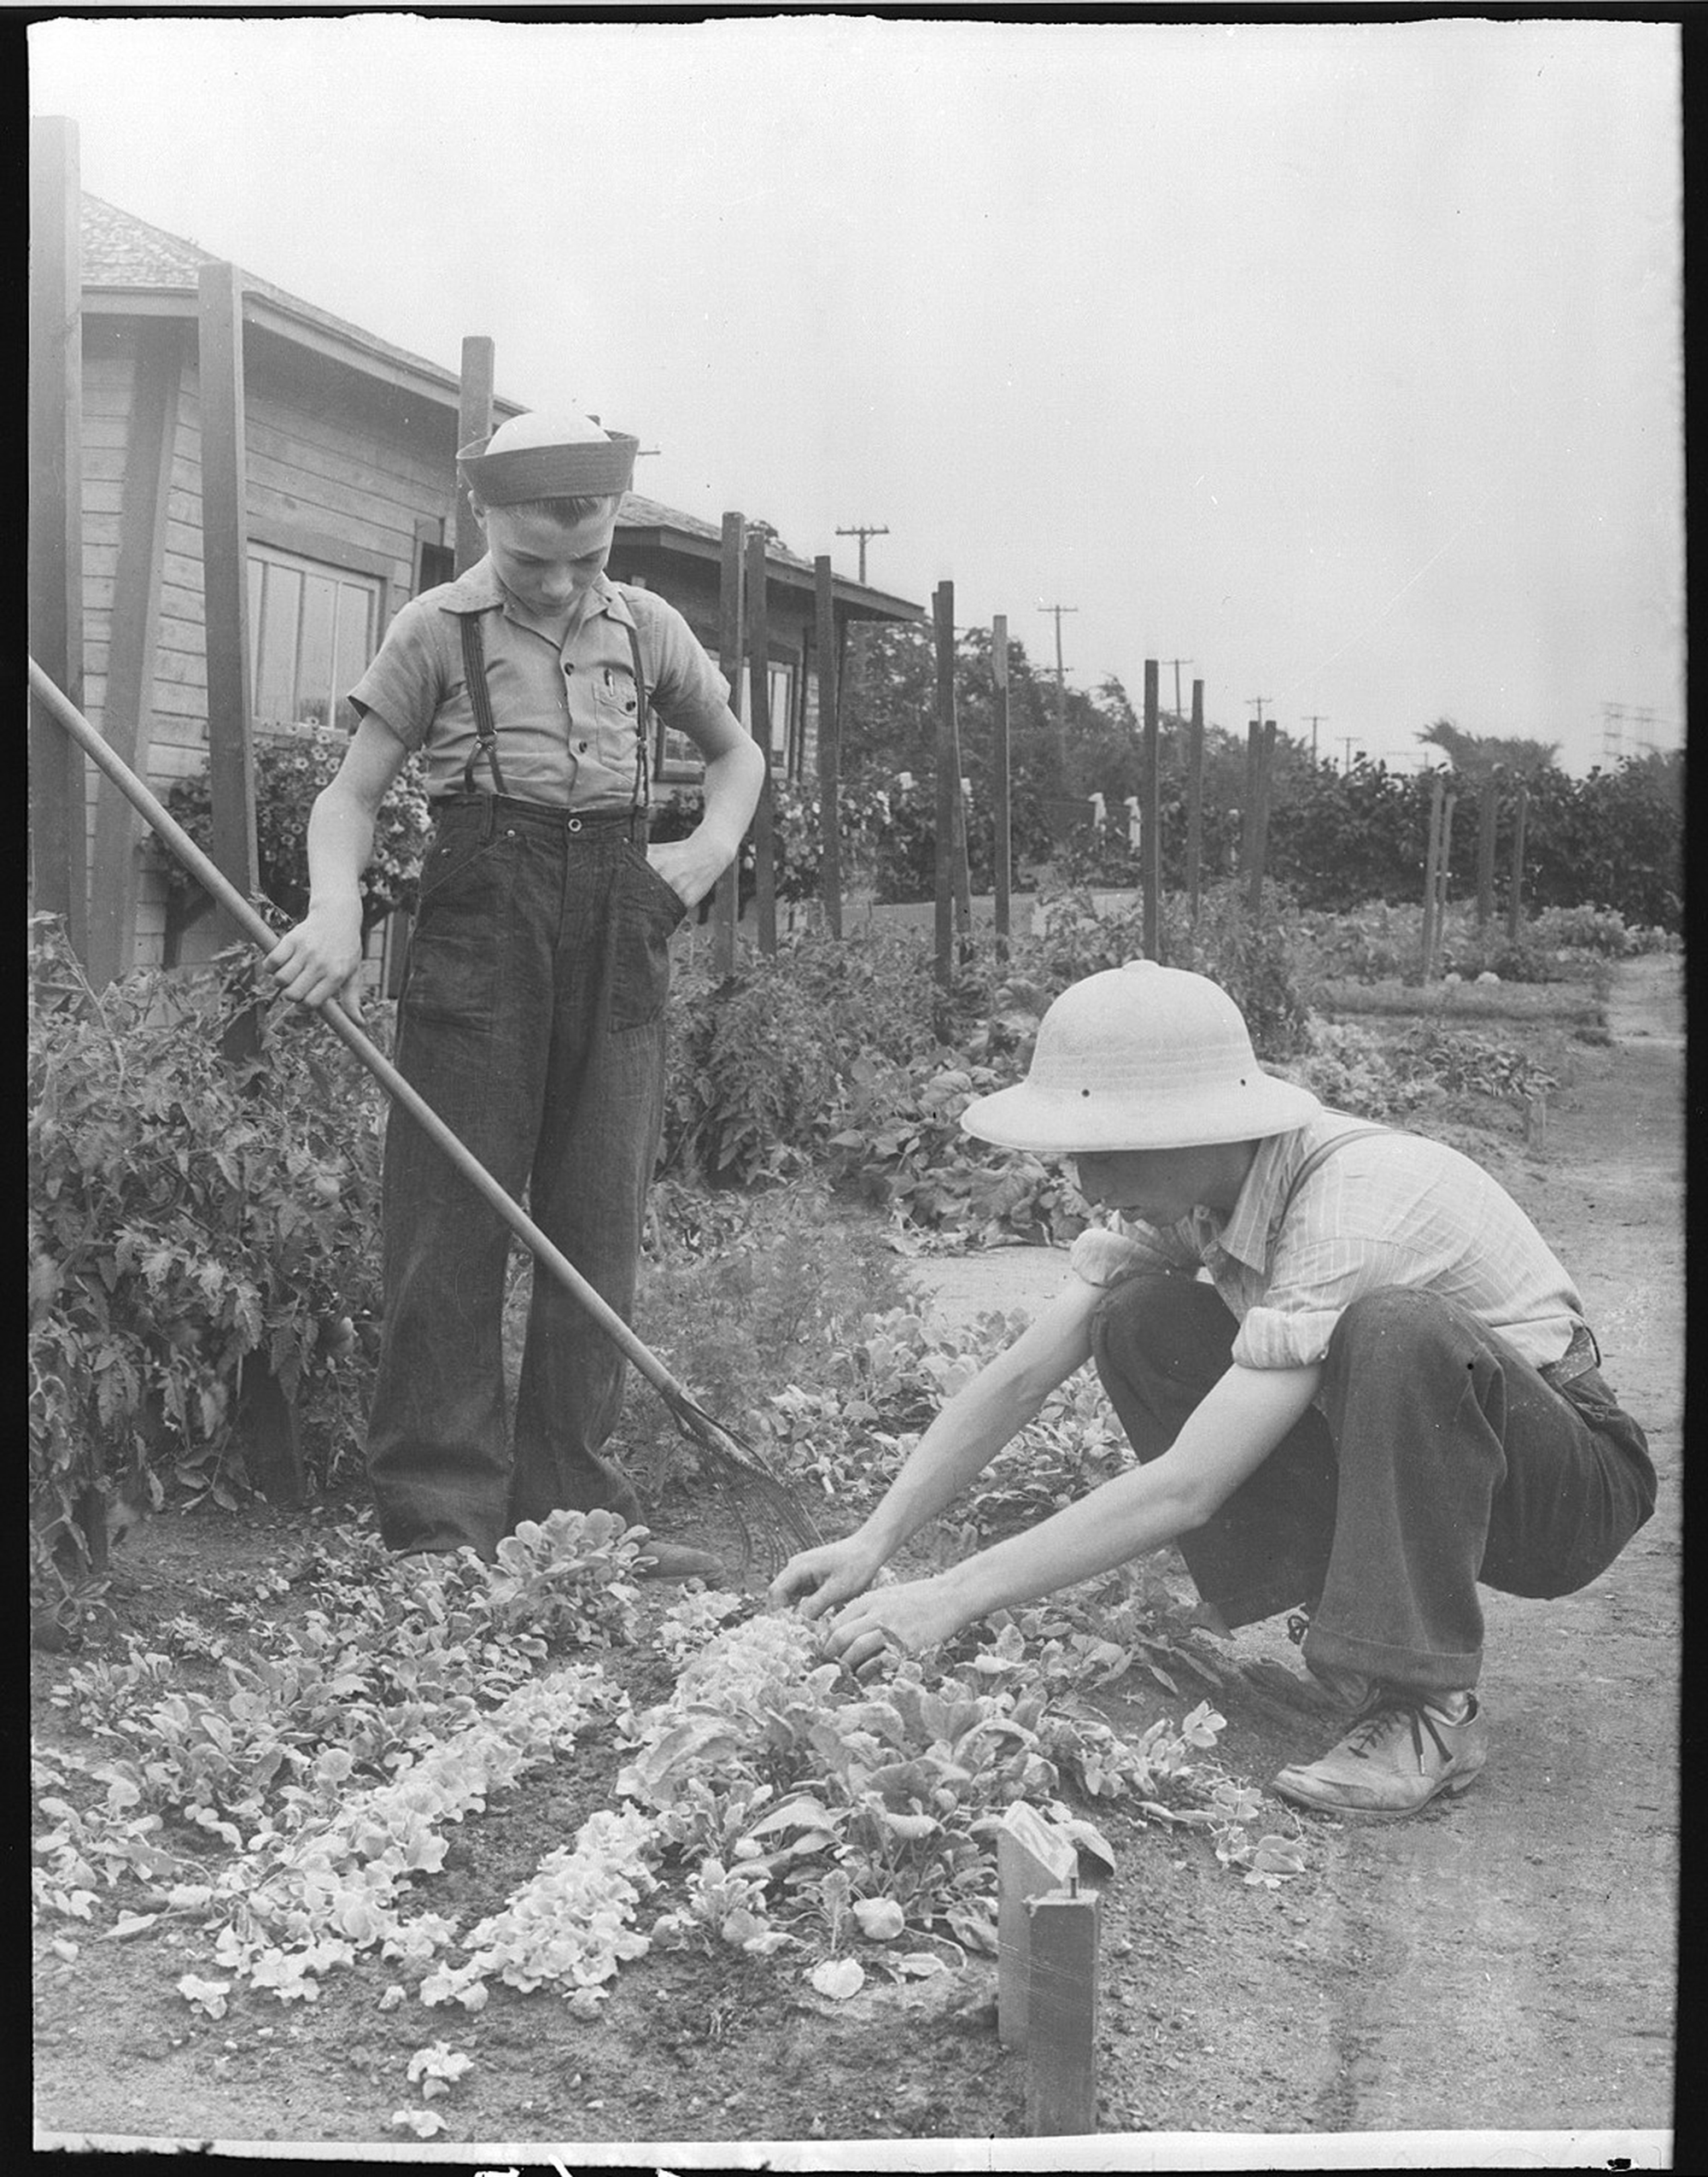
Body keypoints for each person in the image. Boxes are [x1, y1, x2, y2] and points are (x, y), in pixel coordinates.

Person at [770, 960, 1656, 1819]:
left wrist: (951, 1593)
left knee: (1395, 1326)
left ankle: (1429, 1706)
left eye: (1105, 1153)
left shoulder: (1347, 1203)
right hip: (1435, 1471)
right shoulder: (1212, 1186)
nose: (1089, 1185)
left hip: (1560, 1493)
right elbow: (1018, 1376)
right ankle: (1349, 1633)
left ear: (1193, 1125)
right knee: (1135, 1316)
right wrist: (874, 1538)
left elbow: (1191, 1484)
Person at [266, 409, 766, 1566]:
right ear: (483, 517)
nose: (558, 585)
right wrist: (335, 908)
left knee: (596, 1219)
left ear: (611, 531)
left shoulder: (649, 627)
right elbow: (347, 797)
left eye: (585, 559)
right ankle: (440, 1524)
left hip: (621, 918)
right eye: (534, 560)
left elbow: (737, 753)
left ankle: (571, 1514)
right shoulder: (433, 630)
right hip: (483, 918)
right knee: (451, 1219)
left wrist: (703, 851)